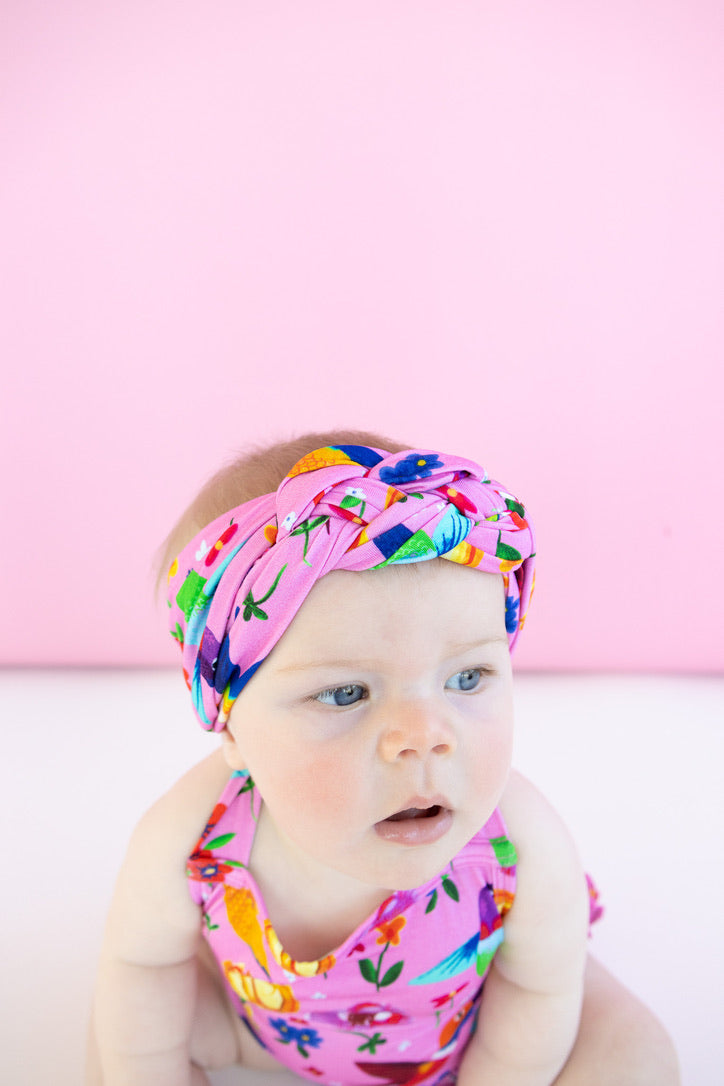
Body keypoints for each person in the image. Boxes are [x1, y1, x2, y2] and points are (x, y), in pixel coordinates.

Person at [87, 430, 680, 1086]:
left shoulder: (521, 847)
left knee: (635, 1056)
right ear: (231, 725)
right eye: (346, 693)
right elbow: (144, 966)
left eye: (466, 678)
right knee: (125, 1038)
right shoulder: (191, 840)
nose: (424, 736)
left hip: (475, 1025)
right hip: (258, 1028)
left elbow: (539, 994)